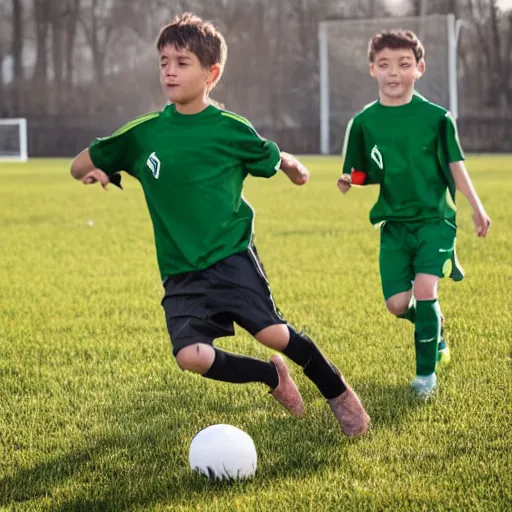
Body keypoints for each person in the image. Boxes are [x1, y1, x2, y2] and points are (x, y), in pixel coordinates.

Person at [70, 13, 370, 436]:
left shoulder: (230, 129)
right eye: (163, 61)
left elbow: (269, 153)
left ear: (212, 73)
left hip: (230, 254)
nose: (169, 70)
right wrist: (103, 171)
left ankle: (338, 392)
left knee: (273, 333)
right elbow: (79, 163)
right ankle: (271, 378)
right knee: (190, 356)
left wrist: (291, 166)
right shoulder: (144, 135)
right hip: (180, 268)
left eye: (182, 61)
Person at [338, 29, 491, 398]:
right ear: (372, 68)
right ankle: (433, 324)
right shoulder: (363, 122)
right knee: (396, 305)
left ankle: (426, 377)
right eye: (385, 65)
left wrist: (476, 206)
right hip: (393, 225)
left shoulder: (437, 117)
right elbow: (365, 170)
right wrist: (350, 180)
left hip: (435, 220)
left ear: (419, 68)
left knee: (425, 290)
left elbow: (455, 164)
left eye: (404, 64)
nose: (394, 73)